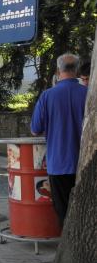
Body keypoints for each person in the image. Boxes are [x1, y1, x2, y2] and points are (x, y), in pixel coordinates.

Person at [31, 53, 87, 227]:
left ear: (57, 71)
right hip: (86, 164)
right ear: (77, 71)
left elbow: (35, 130)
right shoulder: (89, 94)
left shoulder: (47, 96)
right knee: (86, 211)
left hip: (59, 164)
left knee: (63, 211)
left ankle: (69, 248)